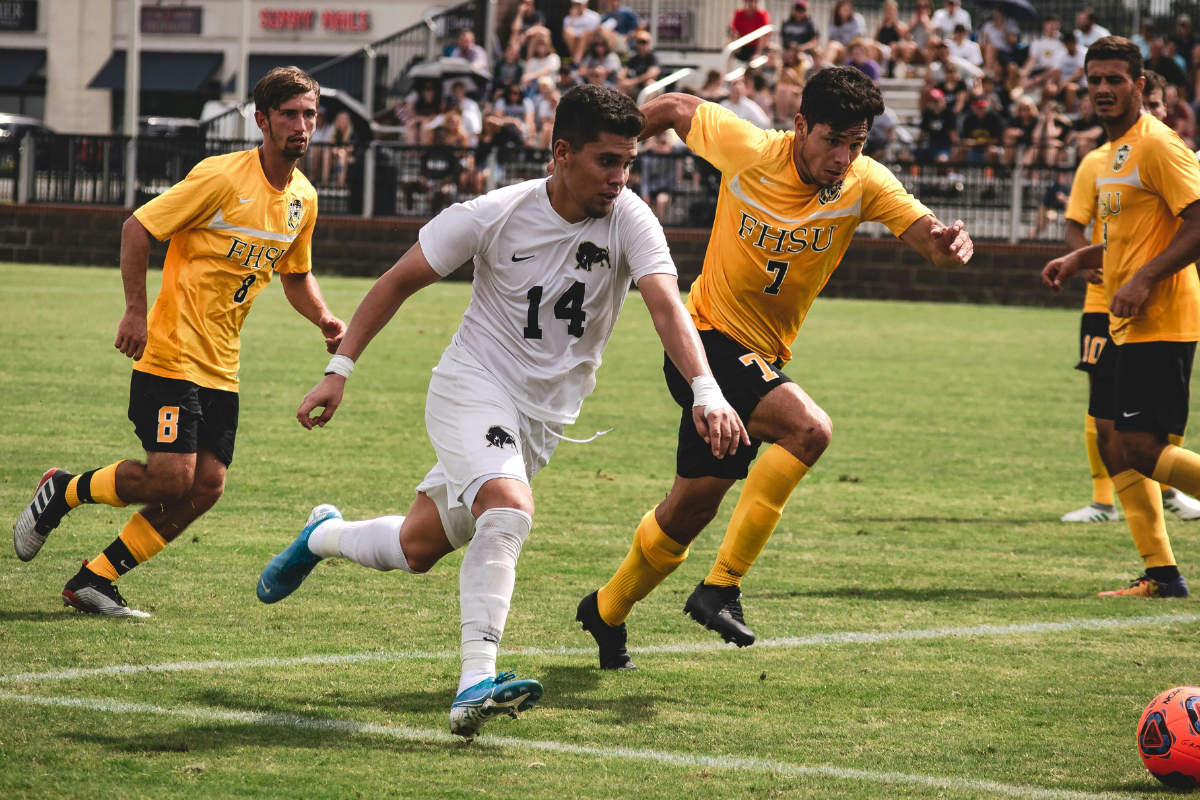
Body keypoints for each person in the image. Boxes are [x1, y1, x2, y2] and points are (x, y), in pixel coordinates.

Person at [255, 83, 747, 736]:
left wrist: (706, 389)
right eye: (607, 161)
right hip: (472, 388)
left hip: (541, 422)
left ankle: (322, 534)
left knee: (418, 547)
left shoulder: (631, 218)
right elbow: (396, 282)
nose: (620, 178)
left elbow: (666, 306)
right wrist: (337, 371)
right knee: (509, 510)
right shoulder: (492, 213)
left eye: (629, 162)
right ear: (561, 153)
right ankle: (474, 685)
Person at [576, 67, 973, 668]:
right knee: (808, 429)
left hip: (758, 358)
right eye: (832, 140)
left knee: (687, 513)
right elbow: (679, 107)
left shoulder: (864, 182)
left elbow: (926, 238)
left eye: (856, 143)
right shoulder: (752, 150)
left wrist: (946, 249)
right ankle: (721, 587)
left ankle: (605, 611)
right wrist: (619, 148)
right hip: (705, 343)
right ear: (800, 127)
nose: (843, 157)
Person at [13, 67, 346, 616]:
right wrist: (136, 311)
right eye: (289, 114)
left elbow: (294, 274)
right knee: (171, 478)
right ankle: (64, 490)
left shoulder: (303, 199)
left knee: (207, 486)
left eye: (309, 114)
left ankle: (95, 578)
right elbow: (138, 227)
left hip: (222, 364)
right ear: (262, 121)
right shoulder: (221, 177)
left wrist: (325, 319)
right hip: (170, 352)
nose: (302, 125)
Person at [1042, 37, 1200, 598]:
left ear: (1140, 84)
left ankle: (1163, 573)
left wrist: (1143, 279)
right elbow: (1128, 240)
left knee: (1141, 448)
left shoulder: (1157, 144)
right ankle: (1161, 574)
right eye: (1094, 80)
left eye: (1114, 79)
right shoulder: (1110, 156)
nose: (1103, 89)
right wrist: (1081, 257)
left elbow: (1197, 221)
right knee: (1115, 439)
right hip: (1125, 320)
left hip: (1162, 317)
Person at [916, 87, 956, 163]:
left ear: (942, 101)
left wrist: (953, 149)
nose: (935, 104)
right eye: (932, 101)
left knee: (941, 160)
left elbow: (953, 135)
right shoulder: (927, 113)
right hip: (930, 146)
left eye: (936, 101)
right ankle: (914, 175)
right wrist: (917, 144)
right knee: (907, 156)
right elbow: (922, 133)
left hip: (944, 147)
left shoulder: (949, 114)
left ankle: (943, 175)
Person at [618, 31, 661, 98]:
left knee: (650, 83)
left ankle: (646, 108)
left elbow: (652, 75)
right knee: (622, 85)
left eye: (644, 43)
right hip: (637, 88)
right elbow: (623, 71)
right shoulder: (634, 58)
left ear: (649, 44)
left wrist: (632, 82)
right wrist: (622, 79)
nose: (642, 46)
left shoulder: (653, 58)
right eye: (640, 43)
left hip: (655, 89)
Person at [824, 0, 866, 65]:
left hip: (852, 50)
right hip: (838, 50)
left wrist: (846, 47)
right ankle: (826, 67)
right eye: (843, 9)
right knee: (832, 46)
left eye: (847, 9)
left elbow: (858, 39)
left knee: (869, 44)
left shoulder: (857, 19)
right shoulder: (833, 21)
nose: (846, 11)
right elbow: (830, 39)